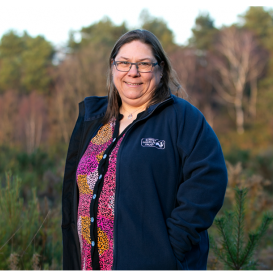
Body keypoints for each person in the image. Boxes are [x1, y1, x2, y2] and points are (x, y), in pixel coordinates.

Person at [61, 29, 227, 271]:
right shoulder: (94, 121)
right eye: (124, 63)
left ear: (160, 71)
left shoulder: (182, 118)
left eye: (144, 64)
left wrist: (170, 251)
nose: (133, 72)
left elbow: (209, 181)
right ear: (112, 67)